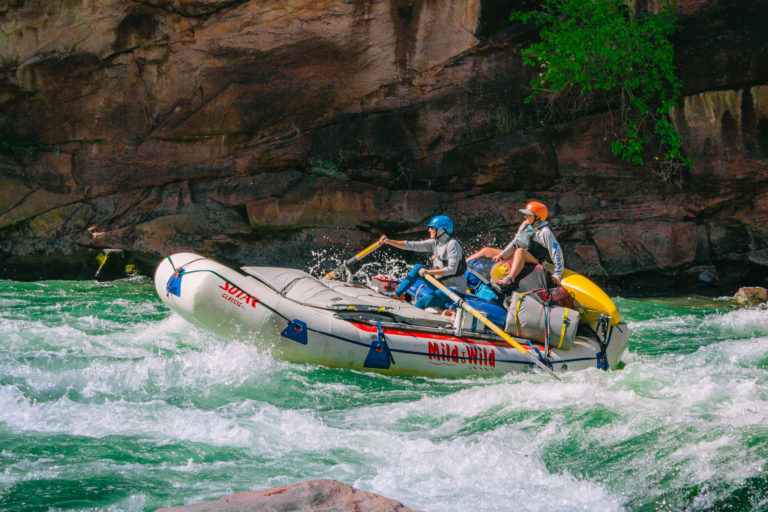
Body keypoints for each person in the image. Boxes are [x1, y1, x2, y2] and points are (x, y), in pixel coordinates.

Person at [379, 215, 467, 310]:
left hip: (454, 290)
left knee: (421, 302)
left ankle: (410, 321)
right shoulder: (435, 243)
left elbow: (451, 270)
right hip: (440, 284)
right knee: (418, 267)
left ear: (441, 230)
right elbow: (411, 245)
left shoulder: (452, 245)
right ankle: (396, 295)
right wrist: (388, 241)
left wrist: (429, 272)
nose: (429, 230)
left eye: (432, 228)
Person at [467, 200, 564, 286]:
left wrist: (557, 274)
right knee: (486, 250)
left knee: (519, 251)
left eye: (529, 214)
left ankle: (510, 278)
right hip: (521, 256)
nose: (525, 216)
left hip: (535, 261)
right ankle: (463, 263)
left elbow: (556, 252)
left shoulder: (545, 232)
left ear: (538, 217)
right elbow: (516, 242)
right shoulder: (526, 225)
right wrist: (502, 255)